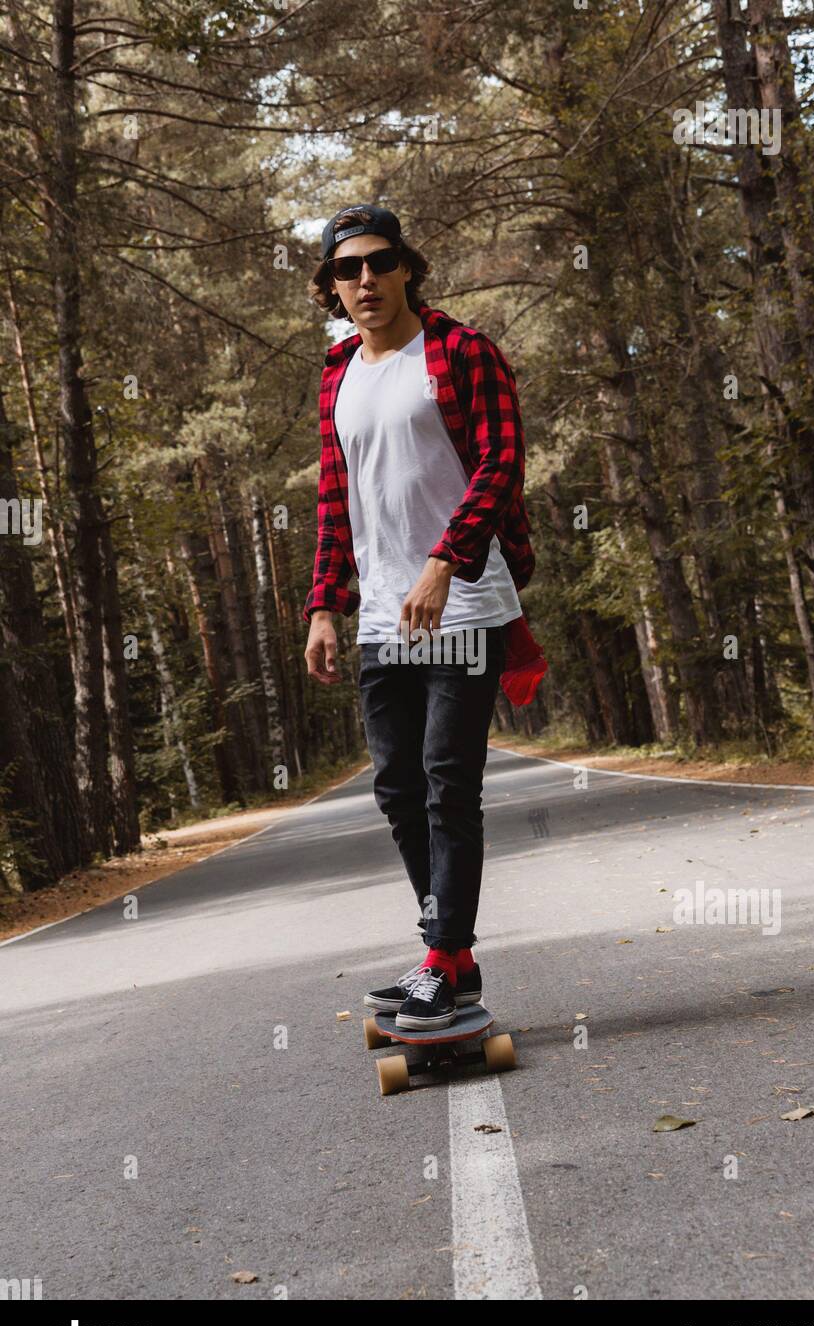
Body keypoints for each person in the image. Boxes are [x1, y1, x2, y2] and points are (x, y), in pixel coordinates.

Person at [303, 203, 546, 1030]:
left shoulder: (459, 351)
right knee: (399, 788)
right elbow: (337, 501)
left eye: (378, 262)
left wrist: (446, 560)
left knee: (448, 782)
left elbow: (502, 463)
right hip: (380, 614)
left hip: (464, 601)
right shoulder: (339, 375)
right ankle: (451, 956)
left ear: (408, 267)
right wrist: (323, 606)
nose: (364, 280)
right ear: (331, 287)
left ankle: (441, 956)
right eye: (347, 269)